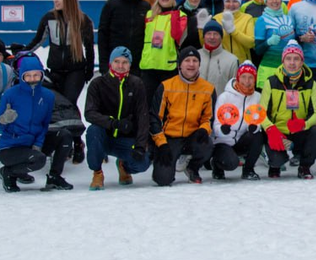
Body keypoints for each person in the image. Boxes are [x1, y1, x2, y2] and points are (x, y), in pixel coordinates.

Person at [0, 55, 74, 192]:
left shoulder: (48, 96)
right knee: (38, 160)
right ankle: (9, 172)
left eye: (36, 75)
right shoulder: (10, 95)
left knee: (64, 135)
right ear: (21, 76)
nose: (32, 79)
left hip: (33, 142)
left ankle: (54, 177)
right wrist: (3, 120)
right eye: (28, 76)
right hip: (11, 146)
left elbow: (44, 124)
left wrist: (38, 144)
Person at [84, 46, 152, 190]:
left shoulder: (136, 84)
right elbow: (90, 113)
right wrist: (113, 123)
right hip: (103, 136)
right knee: (93, 131)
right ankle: (97, 172)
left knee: (143, 163)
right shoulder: (98, 84)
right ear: (110, 63)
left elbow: (143, 117)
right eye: (117, 61)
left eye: (125, 62)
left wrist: (140, 145)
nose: (120, 66)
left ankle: (124, 167)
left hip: (125, 139)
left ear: (130, 64)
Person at [149, 47, 215, 186]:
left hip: (193, 136)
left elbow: (208, 117)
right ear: (180, 64)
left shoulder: (208, 88)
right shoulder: (166, 86)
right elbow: (155, 118)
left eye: (195, 60)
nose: (191, 64)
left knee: (207, 144)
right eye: (187, 60)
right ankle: (169, 165)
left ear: (199, 64)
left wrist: (204, 129)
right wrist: (161, 144)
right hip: (170, 138)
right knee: (162, 179)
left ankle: (192, 167)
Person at [26, 0, 95, 106]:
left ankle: (75, 125)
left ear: (69, 0)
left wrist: (89, 70)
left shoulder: (83, 20)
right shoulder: (48, 18)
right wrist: (22, 53)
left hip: (76, 71)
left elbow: (89, 47)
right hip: (55, 70)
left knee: (69, 103)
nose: (55, 0)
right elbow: (37, 40)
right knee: (58, 105)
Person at [262, 41, 316, 179]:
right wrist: (271, 129)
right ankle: (274, 165)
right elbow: (262, 113)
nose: (292, 62)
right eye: (288, 58)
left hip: (300, 130)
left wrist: (304, 124)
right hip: (279, 132)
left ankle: (304, 166)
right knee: (277, 158)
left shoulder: (311, 83)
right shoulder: (271, 82)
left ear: (302, 62)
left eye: (296, 58)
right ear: (283, 60)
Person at [211, 61, 265, 180]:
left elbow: (260, 118)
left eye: (250, 77)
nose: (247, 81)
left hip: (241, 140)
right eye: (244, 77)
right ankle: (217, 165)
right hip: (223, 142)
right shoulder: (225, 97)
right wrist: (222, 129)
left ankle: (248, 170)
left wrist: (255, 127)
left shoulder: (257, 97)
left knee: (258, 136)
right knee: (231, 163)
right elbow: (215, 125)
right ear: (238, 78)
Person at [140, 0, 191, 104]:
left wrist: (174, 15)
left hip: (168, 67)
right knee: (148, 103)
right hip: (148, 66)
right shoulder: (149, 15)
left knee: (167, 104)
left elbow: (178, 36)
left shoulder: (180, 15)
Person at [98, 0, 150, 76]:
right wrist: (103, 65)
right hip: (115, 62)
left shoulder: (145, 7)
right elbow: (103, 35)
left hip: (137, 65)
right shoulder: (111, 5)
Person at [253, 0, 295, 88]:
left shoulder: (289, 19)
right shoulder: (262, 20)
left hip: (288, 70)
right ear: (266, 1)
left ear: (281, 0)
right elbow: (257, 50)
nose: (274, 1)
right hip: (268, 69)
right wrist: (268, 42)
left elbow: (295, 41)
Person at [215, 0, 255, 64]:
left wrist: (233, 31)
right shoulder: (216, 18)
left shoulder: (247, 18)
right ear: (224, 3)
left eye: (235, 1)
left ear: (240, 2)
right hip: (221, 64)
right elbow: (208, 43)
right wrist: (201, 30)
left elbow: (251, 43)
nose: (231, 5)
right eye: (228, 1)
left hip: (242, 63)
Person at [198, 19, 239, 94]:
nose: (212, 37)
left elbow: (234, 89)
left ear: (221, 37)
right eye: (209, 33)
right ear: (204, 36)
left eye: (216, 34)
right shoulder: (195, 57)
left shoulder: (232, 60)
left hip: (220, 104)